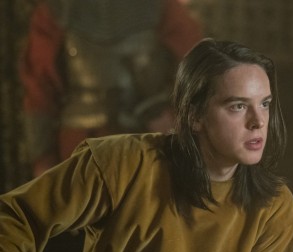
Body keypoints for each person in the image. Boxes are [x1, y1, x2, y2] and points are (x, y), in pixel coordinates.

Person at [0, 39, 293, 252]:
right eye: (238, 106)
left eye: (264, 104)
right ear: (194, 115)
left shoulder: (274, 206)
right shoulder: (122, 162)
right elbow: (15, 217)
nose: (258, 122)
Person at [20, 0, 203, 177]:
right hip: (80, 142)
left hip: (149, 139)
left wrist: (170, 119)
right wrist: (43, 160)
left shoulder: (162, 6)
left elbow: (197, 72)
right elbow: (39, 87)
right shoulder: (57, 9)